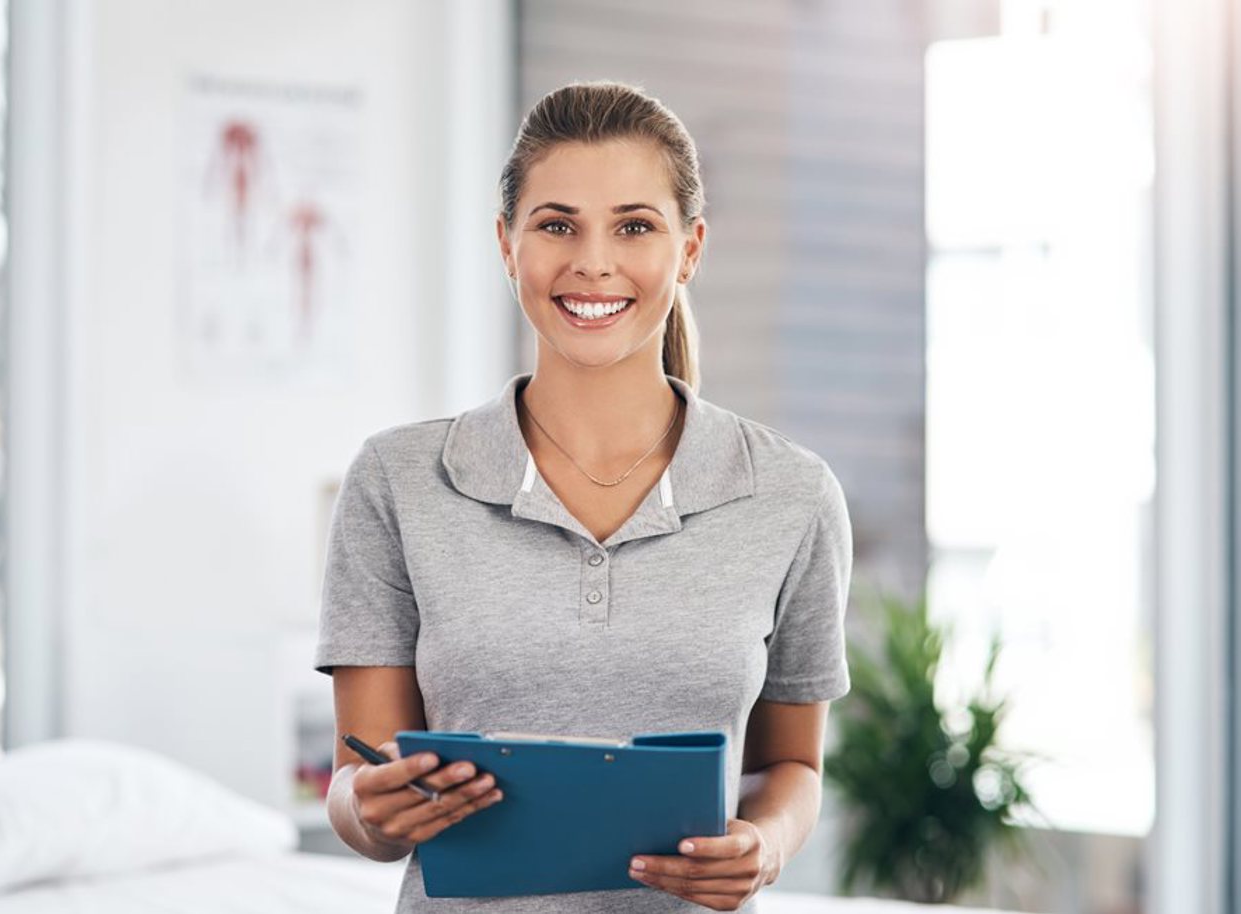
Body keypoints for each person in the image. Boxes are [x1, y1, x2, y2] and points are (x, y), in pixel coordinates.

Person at [314, 80, 853, 913]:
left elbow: (791, 766)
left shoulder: (792, 495)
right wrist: (370, 810)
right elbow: (361, 777)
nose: (593, 262)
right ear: (507, 244)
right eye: (557, 225)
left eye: (634, 226)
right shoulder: (397, 480)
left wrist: (766, 845)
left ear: (690, 249)